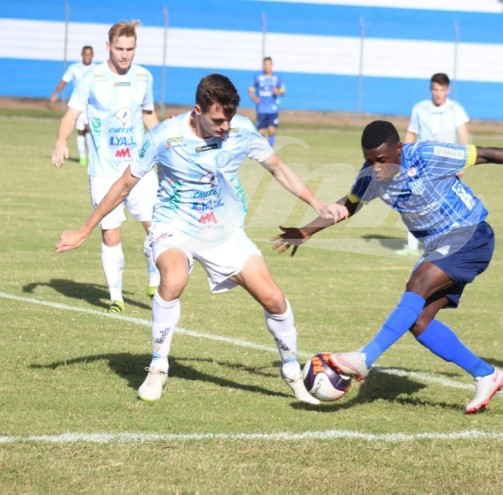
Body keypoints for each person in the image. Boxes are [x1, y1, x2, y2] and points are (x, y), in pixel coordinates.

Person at [56, 73, 348, 405]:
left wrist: (317, 204)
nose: (225, 127)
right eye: (218, 120)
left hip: (221, 229)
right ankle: (157, 367)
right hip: (173, 226)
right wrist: (85, 228)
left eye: (229, 119)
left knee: (274, 299)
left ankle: (293, 374)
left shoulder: (242, 131)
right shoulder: (165, 136)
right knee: (174, 277)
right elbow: (124, 184)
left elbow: (278, 167)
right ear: (197, 110)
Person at [272, 120, 503, 413]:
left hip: (470, 233)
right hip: (441, 246)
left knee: (419, 281)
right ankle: (486, 374)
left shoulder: (427, 155)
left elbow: (486, 153)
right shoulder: (369, 177)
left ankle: (366, 356)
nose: (376, 167)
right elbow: (348, 206)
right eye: (369, 161)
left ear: (399, 149)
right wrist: (308, 230)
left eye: (381, 160)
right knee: (419, 321)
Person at [51, 21, 160, 314]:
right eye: (120, 49)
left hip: (140, 169)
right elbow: (70, 115)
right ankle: (116, 298)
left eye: (130, 49)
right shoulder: (91, 78)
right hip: (104, 171)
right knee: (110, 233)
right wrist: (62, 141)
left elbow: (148, 116)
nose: (125, 55)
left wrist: (164, 144)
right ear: (108, 46)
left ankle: (154, 276)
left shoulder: (144, 78)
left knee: (155, 228)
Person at [397, 72, 471, 257]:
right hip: (422, 163)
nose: (438, 93)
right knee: (413, 202)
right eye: (435, 89)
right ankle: (411, 247)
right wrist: (403, 160)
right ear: (431, 90)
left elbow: (463, 135)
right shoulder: (420, 109)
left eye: (441, 90)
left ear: (448, 90)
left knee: (446, 203)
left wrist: (464, 161)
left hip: (447, 162)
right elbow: (411, 133)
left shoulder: (455, 109)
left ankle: (449, 243)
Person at [50, 45, 94, 166]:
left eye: (89, 54)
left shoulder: (97, 69)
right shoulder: (74, 68)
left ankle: (92, 157)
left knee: (90, 130)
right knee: (80, 131)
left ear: (92, 55)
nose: (87, 56)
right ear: (82, 55)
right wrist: (55, 93)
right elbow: (64, 81)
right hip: (79, 104)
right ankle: (83, 158)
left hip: (92, 106)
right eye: (85, 54)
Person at [248, 56, 285, 147]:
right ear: (263, 65)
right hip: (261, 108)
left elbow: (283, 91)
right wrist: (254, 98)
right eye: (265, 64)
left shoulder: (276, 77)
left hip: (273, 108)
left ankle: (270, 149)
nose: (267, 66)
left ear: (272, 65)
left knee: (271, 130)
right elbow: (251, 90)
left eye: (269, 64)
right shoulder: (258, 76)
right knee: (260, 131)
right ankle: (260, 149)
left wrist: (278, 91)